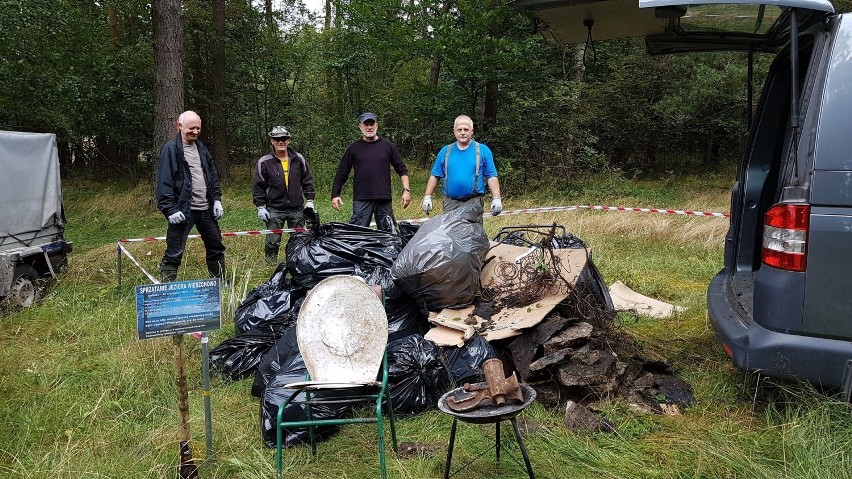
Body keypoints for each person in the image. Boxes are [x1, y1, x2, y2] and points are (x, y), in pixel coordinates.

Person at [155, 110, 226, 283]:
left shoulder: (201, 148)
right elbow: (164, 182)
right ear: (179, 126)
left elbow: (212, 175)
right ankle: (167, 288)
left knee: (216, 247)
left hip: (206, 210)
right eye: (191, 128)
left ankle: (221, 284)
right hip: (183, 211)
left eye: (198, 128)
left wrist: (216, 199)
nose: (195, 132)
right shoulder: (170, 150)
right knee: (174, 252)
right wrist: (170, 210)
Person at [331, 112, 411, 231]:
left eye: (372, 124)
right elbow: (342, 172)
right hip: (361, 199)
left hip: (383, 199)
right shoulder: (354, 148)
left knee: (388, 236)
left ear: (377, 126)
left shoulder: (387, 146)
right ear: (360, 126)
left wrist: (406, 190)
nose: (369, 127)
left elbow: (402, 169)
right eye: (366, 124)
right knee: (357, 236)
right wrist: (335, 194)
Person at [253, 125, 316, 264]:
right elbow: (258, 186)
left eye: (284, 139)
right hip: (274, 208)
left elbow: (307, 180)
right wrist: (260, 206)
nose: (281, 142)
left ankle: (298, 265)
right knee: (272, 241)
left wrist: (310, 200)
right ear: (272, 141)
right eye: (277, 139)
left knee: (299, 240)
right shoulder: (264, 162)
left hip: (296, 208)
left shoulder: (298, 159)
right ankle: (270, 266)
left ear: (289, 140)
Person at [422, 115, 502, 219]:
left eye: (466, 129)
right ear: (454, 131)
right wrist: (427, 197)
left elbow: (491, 176)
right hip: (450, 203)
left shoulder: (483, 150)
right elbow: (435, 176)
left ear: (472, 131)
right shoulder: (445, 151)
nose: (463, 132)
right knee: (450, 233)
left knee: (473, 234)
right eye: (459, 129)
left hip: (473, 203)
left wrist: (496, 198)